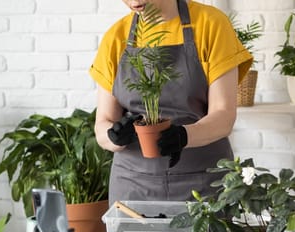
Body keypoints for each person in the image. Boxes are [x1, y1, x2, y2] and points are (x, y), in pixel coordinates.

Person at [90, 0, 253, 205]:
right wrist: (114, 136)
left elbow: (224, 115)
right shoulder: (116, 37)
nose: (133, 0)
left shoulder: (211, 24)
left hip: (203, 185)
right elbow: (103, 122)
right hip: (132, 187)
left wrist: (184, 136)